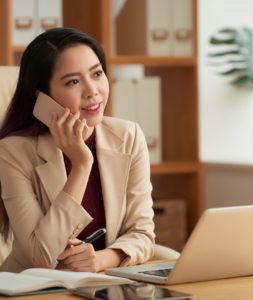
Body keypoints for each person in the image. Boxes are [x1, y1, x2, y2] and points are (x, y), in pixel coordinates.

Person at [0, 27, 155, 273]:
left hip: (104, 284)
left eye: (97, 74)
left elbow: (143, 233)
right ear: (42, 97)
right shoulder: (12, 152)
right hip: (33, 291)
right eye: (73, 81)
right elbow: (42, 256)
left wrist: (102, 259)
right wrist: (81, 165)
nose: (93, 91)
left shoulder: (128, 136)